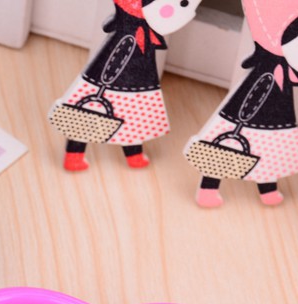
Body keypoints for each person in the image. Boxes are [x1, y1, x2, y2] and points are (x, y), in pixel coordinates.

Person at [49, 0, 202, 171]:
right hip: (112, 79)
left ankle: (131, 155)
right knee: (89, 114)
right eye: (183, 3)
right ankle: (75, 155)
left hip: (138, 81)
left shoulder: (145, 31)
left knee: (133, 117)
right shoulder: (132, 33)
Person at [185, 2, 298, 207]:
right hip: (244, 112)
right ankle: (209, 187)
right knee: (224, 147)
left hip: (277, 115)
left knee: (270, 151)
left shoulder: (288, 71)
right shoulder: (268, 67)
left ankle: (268, 189)